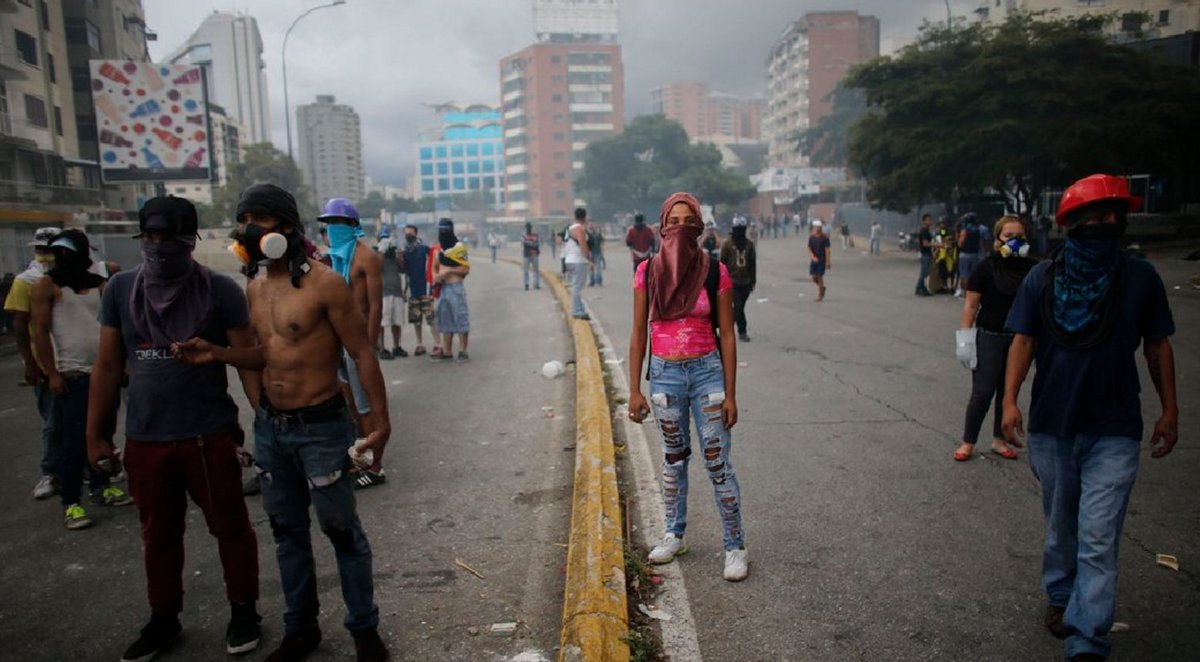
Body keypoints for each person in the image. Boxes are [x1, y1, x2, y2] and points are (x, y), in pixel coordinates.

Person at [175, 183, 391, 662]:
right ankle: (301, 630)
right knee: (287, 535)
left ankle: (364, 629)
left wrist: (380, 424)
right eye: (242, 221)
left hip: (322, 429)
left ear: (286, 228)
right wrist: (218, 353)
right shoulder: (254, 287)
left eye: (256, 220)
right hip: (273, 431)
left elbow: (361, 352)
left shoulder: (325, 284)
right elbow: (268, 355)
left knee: (342, 533)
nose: (245, 230)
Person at [1002, 175, 1177, 662]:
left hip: (1115, 429)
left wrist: (1170, 410)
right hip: (1052, 425)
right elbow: (1023, 341)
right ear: (1074, 222)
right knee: (1062, 527)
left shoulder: (1140, 278)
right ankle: (1061, 595)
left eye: (1116, 216)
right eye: (1099, 216)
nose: (1110, 223)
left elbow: (1158, 345)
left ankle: (1087, 640)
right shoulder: (1042, 279)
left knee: (1099, 537)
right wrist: (1009, 401)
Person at [86, 197, 263, 661]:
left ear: (190, 242)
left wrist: (265, 422)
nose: (158, 246)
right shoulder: (120, 290)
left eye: (169, 238)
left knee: (231, 529)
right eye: (150, 236)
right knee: (158, 536)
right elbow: (107, 366)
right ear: (141, 237)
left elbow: (250, 359)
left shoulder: (220, 290)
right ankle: (164, 618)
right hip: (146, 439)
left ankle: (244, 610)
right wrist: (95, 435)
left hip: (208, 435)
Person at [627, 192, 747, 582]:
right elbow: (638, 333)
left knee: (717, 462)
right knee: (673, 460)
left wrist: (731, 394)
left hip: (708, 375)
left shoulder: (715, 271)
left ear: (698, 226)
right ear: (662, 227)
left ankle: (735, 546)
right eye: (673, 221)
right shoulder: (646, 272)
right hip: (665, 376)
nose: (681, 228)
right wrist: (634, 389)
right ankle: (674, 534)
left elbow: (727, 335)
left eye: (688, 221)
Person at [31, 230, 133, 531]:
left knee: (104, 434)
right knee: (73, 441)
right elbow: (40, 332)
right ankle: (71, 502)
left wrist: (122, 365)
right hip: (72, 374)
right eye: (58, 253)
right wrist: (51, 373)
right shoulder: (47, 285)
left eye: (68, 252)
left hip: (103, 373)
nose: (63, 258)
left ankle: (101, 487)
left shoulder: (100, 284)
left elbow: (116, 328)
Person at [952, 216, 1036, 463]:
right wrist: (965, 339)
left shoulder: (1033, 269)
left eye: (1019, 236)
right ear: (998, 238)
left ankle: (999, 440)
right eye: (1009, 236)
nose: (1014, 241)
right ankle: (968, 441)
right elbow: (971, 306)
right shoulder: (986, 267)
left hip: (1019, 340)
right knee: (983, 391)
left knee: (1008, 392)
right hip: (989, 336)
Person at [317, 198, 387, 489]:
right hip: (339, 343)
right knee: (352, 406)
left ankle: (375, 467)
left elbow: (375, 305)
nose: (332, 228)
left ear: (352, 225)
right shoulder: (333, 258)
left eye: (337, 222)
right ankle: (361, 458)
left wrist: (367, 348)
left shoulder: (365, 257)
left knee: (367, 405)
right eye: (328, 223)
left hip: (359, 345)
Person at [7, 227, 61, 499]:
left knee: (83, 419)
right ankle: (51, 472)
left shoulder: (70, 278)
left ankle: (88, 468)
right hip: (44, 362)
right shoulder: (25, 281)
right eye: (41, 249)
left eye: (50, 250)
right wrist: (29, 363)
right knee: (53, 422)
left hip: (75, 361)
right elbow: (20, 326)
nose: (45, 255)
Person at [433, 218, 471, 361]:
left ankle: (463, 350)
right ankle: (447, 351)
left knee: (461, 318)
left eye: (445, 229)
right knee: (445, 320)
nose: (442, 232)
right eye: (440, 229)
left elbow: (465, 269)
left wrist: (449, 271)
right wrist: (436, 276)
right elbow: (434, 266)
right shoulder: (439, 249)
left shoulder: (459, 248)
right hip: (443, 289)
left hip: (456, 287)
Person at [401, 224, 437, 357]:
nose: (408, 236)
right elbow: (405, 272)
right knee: (416, 321)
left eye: (410, 233)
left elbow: (434, 264)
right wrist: (405, 290)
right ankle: (420, 344)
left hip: (426, 290)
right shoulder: (405, 252)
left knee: (431, 320)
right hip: (413, 291)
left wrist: (434, 285)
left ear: (416, 234)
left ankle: (437, 344)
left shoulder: (425, 249)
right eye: (406, 234)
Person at [719, 216, 756, 342]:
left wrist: (753, 281)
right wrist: (721, 281)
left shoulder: (749, 245)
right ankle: (742, 331)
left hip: (746, 282)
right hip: (732, 281)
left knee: (739, 308)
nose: (739, 232)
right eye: (737, 229)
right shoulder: (727, 244)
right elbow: (722, 264)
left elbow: (752, 264)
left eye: (742, 229)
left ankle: (726, 327)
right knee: (738, 306)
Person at [376, 229, 407, 360]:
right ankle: (382, 348)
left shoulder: (394, 254)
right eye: (383, 239)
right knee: (382, 323)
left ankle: (396, 346)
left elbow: (403, 269)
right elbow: (377, 267)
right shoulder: (376, 253)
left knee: (397, 321)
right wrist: (382, 250)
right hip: (383, 293)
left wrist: (398, 253)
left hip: (396, 292)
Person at [563, 208, 593, 320]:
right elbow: (583, 245)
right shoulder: (579, 229)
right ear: (584, 217)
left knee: (576, 285)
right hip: (578, 260)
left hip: (570, 259)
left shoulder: (570, 228)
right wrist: (589, 260)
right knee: (577, 287)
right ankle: (577, 311)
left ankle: (579, 308)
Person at [955, 212, 983, 297]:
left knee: (964, 275)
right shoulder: (978, 229)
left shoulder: (965, 230)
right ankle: (973, 291)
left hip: (965, 254)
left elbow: (960, 244)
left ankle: (965, 292)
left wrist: (958, 238)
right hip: (975, 254)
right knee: (973, 274)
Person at [808, 220, 831, 301]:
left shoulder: (824, 238)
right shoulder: (812, 237)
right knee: (814, 277)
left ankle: (820, 295)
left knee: (819, 276)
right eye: (814, 227)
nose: (816, 229)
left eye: (817, 227)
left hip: (822, 259)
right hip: (814, 259)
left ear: (820, 228)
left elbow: (827, 250)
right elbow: (809, 248)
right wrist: (812, 257)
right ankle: (822, 288)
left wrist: (828, 262)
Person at [916, 214, 934, 296]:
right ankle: (919, 288)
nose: (930, 221)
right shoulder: (924, 231)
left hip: (927, 253)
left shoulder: (927, 230)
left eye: (930, 220)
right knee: (924, 272)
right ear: (924, 221)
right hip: (925, 254)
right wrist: (938, 245)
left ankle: (922, 288)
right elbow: (925, 244)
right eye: (928, 220)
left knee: (925, 272)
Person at [521, 222, 541, 291]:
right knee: (526, 270)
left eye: (529, 227)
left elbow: (537, 243)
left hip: (534, 254)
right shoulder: (523, 235)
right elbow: (524, 242)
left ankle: (536, 284)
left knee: (536, 270)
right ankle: (526, 284)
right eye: (527, 227)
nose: (528, 228)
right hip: (527, 255)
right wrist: (532, 243)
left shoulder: (535, 234)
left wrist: (530, 243)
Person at [587, 222, 605, 287]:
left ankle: (594, 281)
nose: (591, 226)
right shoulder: (588, 235)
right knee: (595, 267)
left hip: (595, 252)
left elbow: (601, 243)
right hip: (592, 252)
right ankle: (595, 281)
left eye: (592, 225)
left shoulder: (596, 234)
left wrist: (602, 252)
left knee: (596, 267)